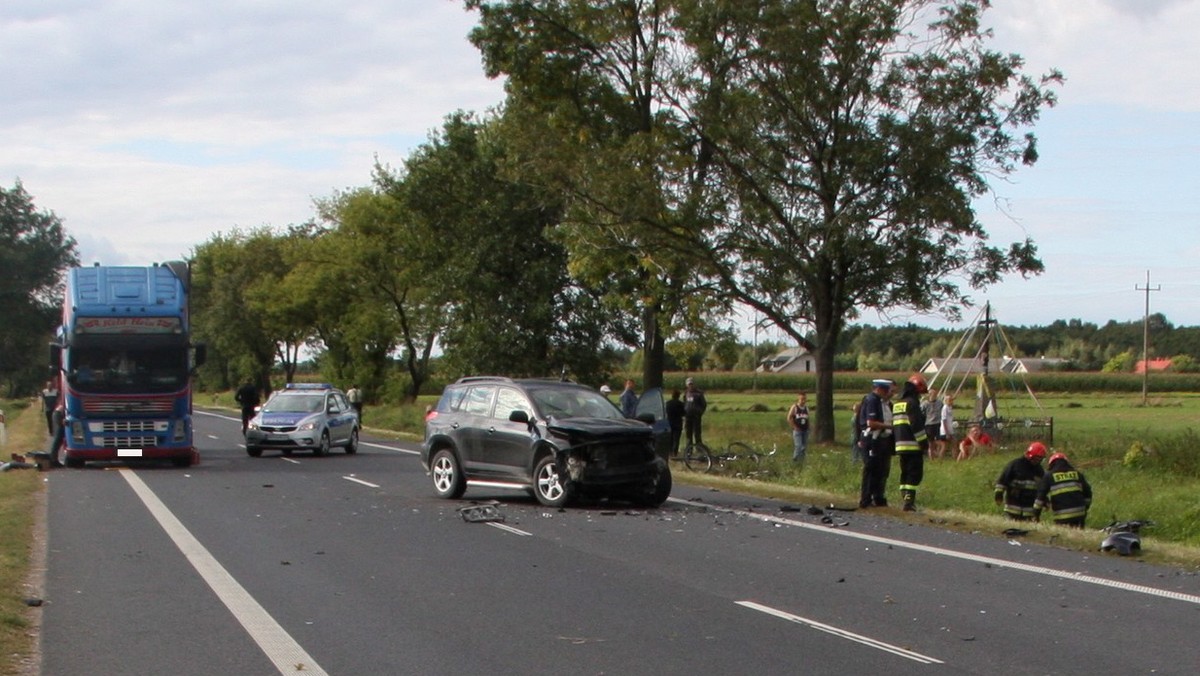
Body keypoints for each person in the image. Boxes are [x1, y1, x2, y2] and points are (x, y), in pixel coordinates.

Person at [892, 374, 930, 511]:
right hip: (913, 446)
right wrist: (924, 444)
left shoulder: (898, 404)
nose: (920, 397)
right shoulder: (912, 404)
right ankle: (909, 502)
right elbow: (916, 426)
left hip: (900, 445)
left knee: (904, 472)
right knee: (914, 474)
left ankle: (905, 498)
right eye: (920, 394)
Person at [858, 378, 895, 508]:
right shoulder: (872, 400)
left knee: (882, 469)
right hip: (872, 438)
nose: (888, 393)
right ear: (878, 389)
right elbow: (871, 423)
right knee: (870, 469)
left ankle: (878, 496)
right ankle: (866, 498)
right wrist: (890, 427)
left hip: (882, 439)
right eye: (886, 390)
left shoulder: (884, 403)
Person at [1033, 451, 1092, 528]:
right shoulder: (1077, 474)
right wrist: (1085, 507)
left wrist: (1036, 515)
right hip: (1079, 514)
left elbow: (1040, 497)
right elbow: (1088, 494)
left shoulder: (1049, 476)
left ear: (1051, 464)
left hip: (1062, 516)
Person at [994, 442, 1047, 521]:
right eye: (1037, 458)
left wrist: (1045, 501)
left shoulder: (1039, 470)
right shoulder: (1015, 465)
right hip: (1013, 507)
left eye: (1041, 459)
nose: (1038, 461)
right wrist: (999, 495)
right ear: (1030, 456)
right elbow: (1002, 481)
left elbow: (1041, 489)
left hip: (1029, 511)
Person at [683, 377, 707, 447]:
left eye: (692, 384)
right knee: (688, 434)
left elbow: (704, 404)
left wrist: (700, 412)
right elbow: (684, 403)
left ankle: (699, 449)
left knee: (697, 433)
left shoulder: (699, 393)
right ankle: (689, 450)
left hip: (696, 416)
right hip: (687, 416)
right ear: (687, 385)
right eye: (689, 384)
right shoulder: (685, 393)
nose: (690, 386)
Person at [786, 391, 810, 463]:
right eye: (802, 399)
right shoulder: (795, 407)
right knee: (798, 446)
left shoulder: (806, 408)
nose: (803, 401)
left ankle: (801, 461)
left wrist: (809, 427)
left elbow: (808, 419)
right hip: (797, 431)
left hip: (805, 430)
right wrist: (794, 426)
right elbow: (789, 418)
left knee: (804, 447)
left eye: (804, 399)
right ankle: (795, 459)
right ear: (798, 399)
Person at [922, 387, 944, 459]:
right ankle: (932, 458)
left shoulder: (940, 403)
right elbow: (921, 414)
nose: (934, 395)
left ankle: (938, 455)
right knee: (930, 443)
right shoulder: (925, 404)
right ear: (929, 394)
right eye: (932, 394)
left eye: (935, 394)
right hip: (929, 424)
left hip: (938, 424)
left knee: (939, 441)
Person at [665, 389, 685, 457]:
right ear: (678, 396)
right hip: (678, 423)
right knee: (676, 439)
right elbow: (683, 413)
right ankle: (675, 452)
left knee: (670, 438)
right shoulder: (680, 404)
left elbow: (666, 412)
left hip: (669, 422)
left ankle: (670, 451)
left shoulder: (668, 403)